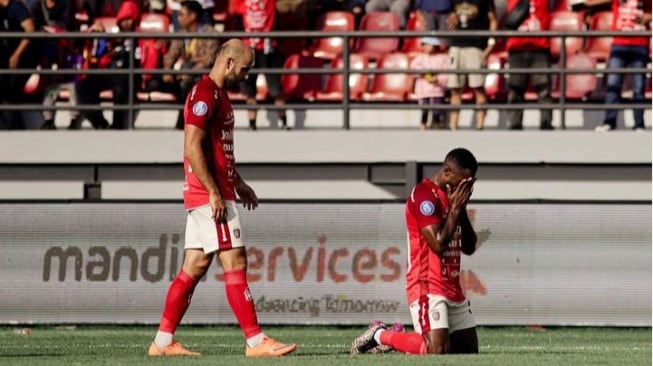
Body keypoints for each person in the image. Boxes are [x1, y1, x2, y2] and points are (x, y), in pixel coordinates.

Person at [148, 39, 297, 358]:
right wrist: (216, 192)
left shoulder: (219, 95)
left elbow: (216, 151)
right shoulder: (204, 94)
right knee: (236, 261)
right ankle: (256, 342)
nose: (247, 75)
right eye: (245, 69)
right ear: (228, 62)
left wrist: (238, 182)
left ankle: (162, 342)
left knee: (195, 265)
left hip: (215, 190)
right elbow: (192, 147)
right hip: (209, 194)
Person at [351, 147, 479, 355]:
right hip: (427, 285)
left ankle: (396, 337)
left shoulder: (454, 199)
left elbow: (470, 247)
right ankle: (380, 335)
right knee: (436, 350)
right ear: (447, 172)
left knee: (468, 350)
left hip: (451, 286)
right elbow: (437, 244)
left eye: (469, 183)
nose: (464, 188)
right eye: (462, 182)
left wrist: (460, 209)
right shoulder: (424, 196)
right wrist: (455, 209)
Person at [74, 0, 142, 129]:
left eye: (130, 19)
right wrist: (108, 52)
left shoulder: (141, 39)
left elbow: (142, 62)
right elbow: (98, 58)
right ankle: (100, 123)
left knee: (121, 88)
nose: (126, 23)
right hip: (111, 73)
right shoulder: (113, 38)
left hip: (130, 77)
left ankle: (118, 126)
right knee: (83, 85)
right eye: (123, 19)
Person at [159, 0, 219, 130]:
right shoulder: (182, 33)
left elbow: (209, 60)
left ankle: (184, 124)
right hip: (186, 72)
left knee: (188, 86)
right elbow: (171, 54)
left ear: (192, 16)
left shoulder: (210, 33)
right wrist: (167, 71)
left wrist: (188, 73)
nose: (178, 17)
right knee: (156, 83)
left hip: (202, 75)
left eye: (181, 14)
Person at [594, 0, 651, 132]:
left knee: (639, 87)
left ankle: (639, 124)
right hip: (619, 43)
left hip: (640, 43)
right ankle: (609, 122)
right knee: (613, 84)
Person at [446, 0, 497, 130]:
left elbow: (493, 20)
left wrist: (490, 44)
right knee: (455, 89)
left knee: (478, 87)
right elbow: (451, 18)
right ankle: (453, 126)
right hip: (456, 46)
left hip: (476, 47)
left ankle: (480, 126)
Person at [504, 0, 554, 130]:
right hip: (516, 48)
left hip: (539, 48)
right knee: (515, 89)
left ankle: (546, 123)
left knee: (543, 89)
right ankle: (514, 124)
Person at [241, 0, 289, 130]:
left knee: (275, 89)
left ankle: (284, 122)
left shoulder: (270, 2)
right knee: (249, 90)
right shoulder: (242, 2)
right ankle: (252, 124)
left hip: (268, 48)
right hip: (249, 47)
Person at [0, 0, 38, 130]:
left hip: (25, 57)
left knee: (10, 92)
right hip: (9, 59)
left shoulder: (16, 7)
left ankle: (15, 129)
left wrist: (16, 55)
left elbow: (30, 29)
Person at [410, 37, 449, 130]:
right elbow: (414, 69)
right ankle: (423, 124)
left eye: (427, 44)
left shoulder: (443, 58)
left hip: (437, 90)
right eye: (423, 45)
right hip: (424, 90)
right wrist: (425, 73)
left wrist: (437, 80)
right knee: (424, 109)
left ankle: (436, 124)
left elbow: (446, 73)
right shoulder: (419, 58)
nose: (425, 47)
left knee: (437, 109)